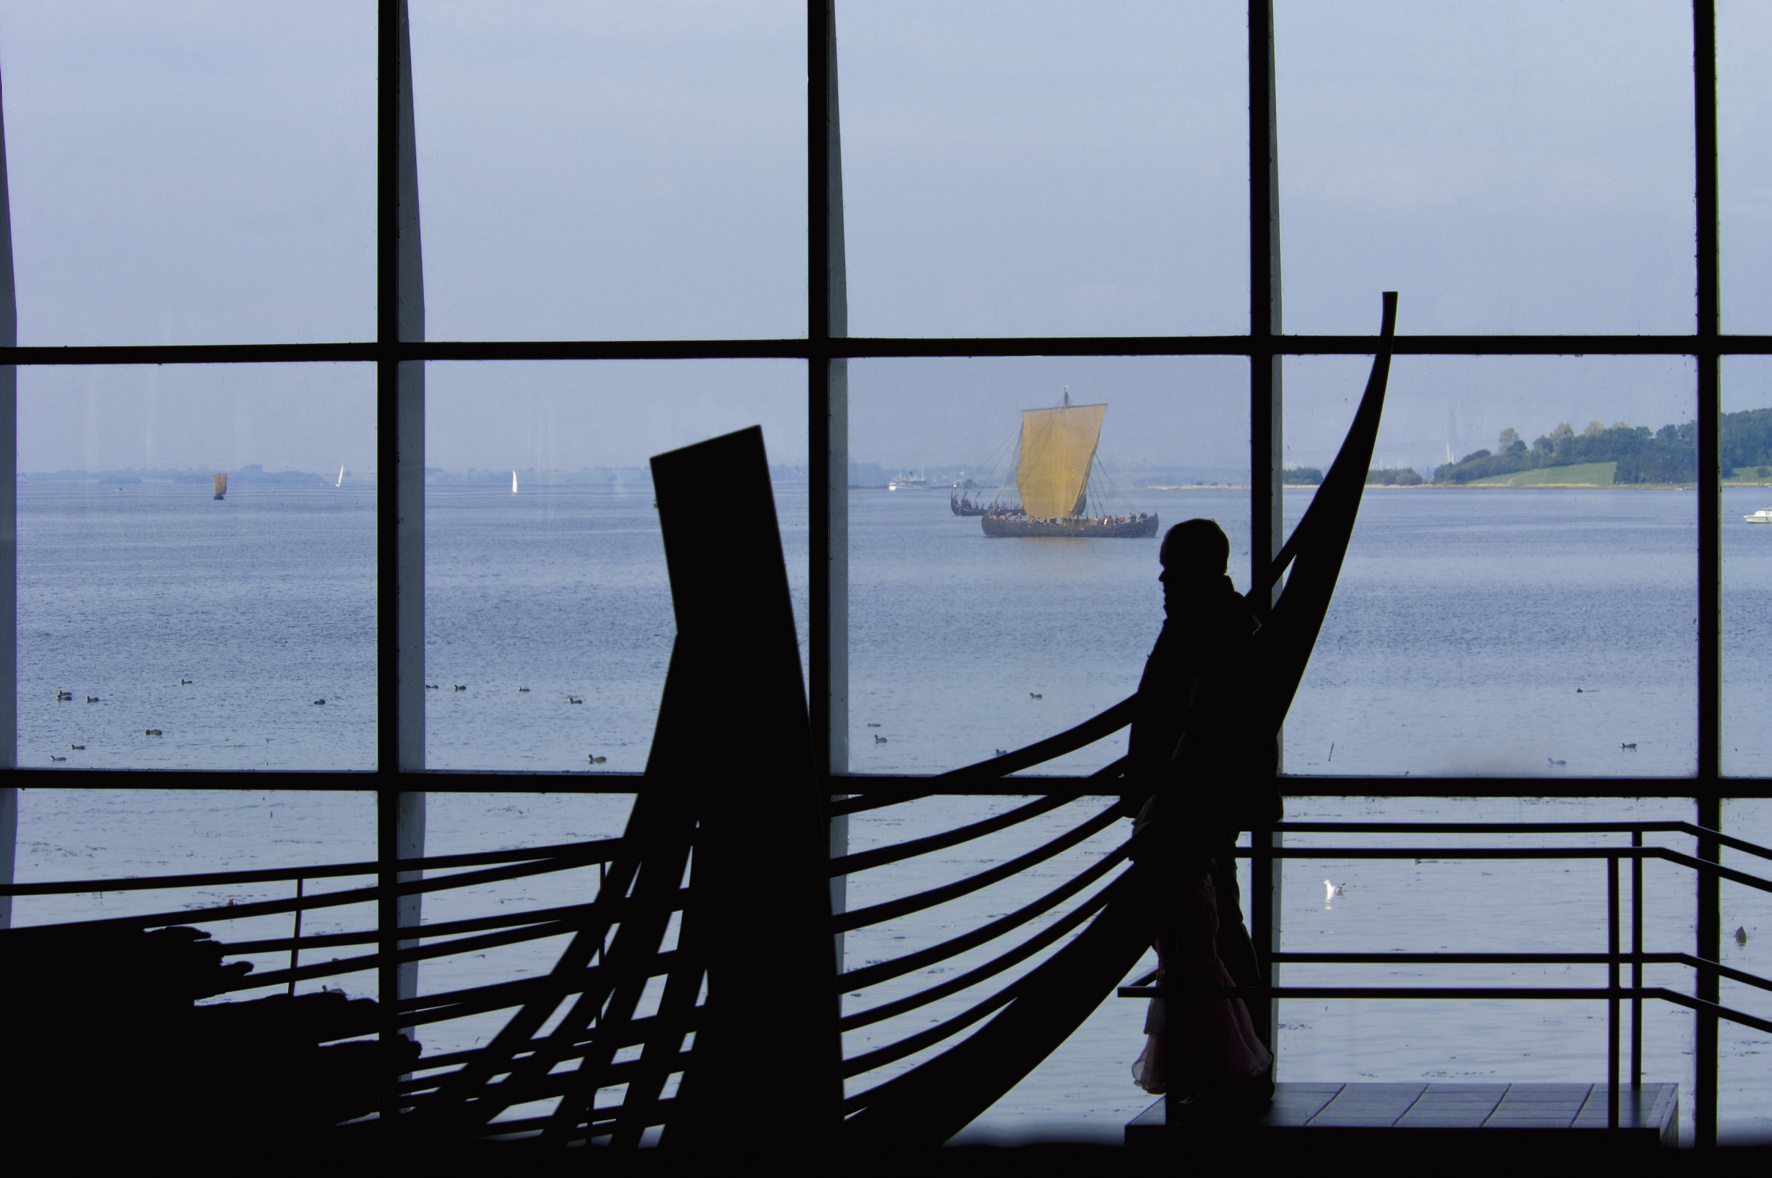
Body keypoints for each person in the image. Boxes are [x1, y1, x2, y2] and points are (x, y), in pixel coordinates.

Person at [1125, 519, 1279, 1103]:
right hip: (1201, 805)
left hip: (1192, 808)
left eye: (1171, 565)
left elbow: (1195, 726)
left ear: (1196, 569)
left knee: (1214, 935)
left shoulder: (1204, 629)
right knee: (1219, 929)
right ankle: (1238, 1057)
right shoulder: (1230, 624)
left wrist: (1161, 800)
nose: (1161, 577)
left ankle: (1234, 1061)